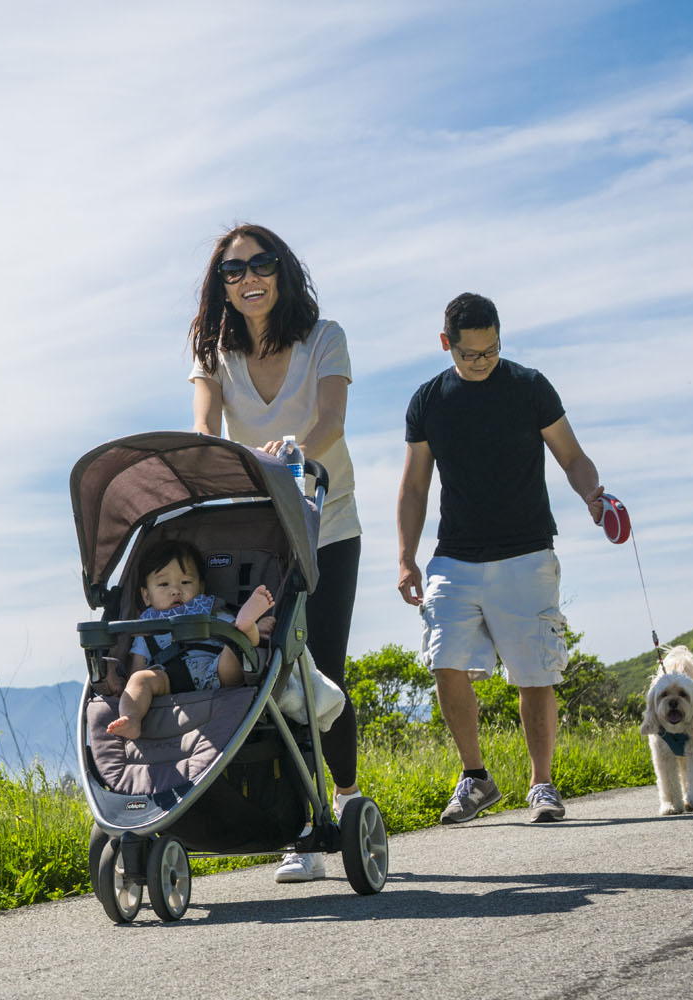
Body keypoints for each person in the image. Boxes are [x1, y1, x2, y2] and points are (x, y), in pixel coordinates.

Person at [188, 223, 361, 883]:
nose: (248, 278)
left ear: (282, 271)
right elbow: (204, 424)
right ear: (222, 287)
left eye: (261, 265)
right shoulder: (215, 354)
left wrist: (292, 458)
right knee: (275, 672)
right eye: (233, 271)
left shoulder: (325, 339)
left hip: (327, 522)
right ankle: (304, 830)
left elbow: (330, 420)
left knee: (324, 671)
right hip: (261, 534)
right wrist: (217, 457)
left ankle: (343, 801)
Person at [396, 292, 606, 825]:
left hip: (527, 552)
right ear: (447, 345)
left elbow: (572, 456)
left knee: (534, 674)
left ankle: (542, 784)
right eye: (470, 354)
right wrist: (406, 556)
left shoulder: (530, 387)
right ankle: (476, 778)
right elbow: (414, 487)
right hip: (455, 557)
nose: (482, 361)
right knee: (443, 660)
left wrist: (594, 496)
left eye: (491, 350)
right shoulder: (428, 401)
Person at [106, 540, 275, 741]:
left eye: (185, 582)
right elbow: (137, 667)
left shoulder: (210, 611)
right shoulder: (145, 628)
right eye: (163, 584)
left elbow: (237, 637)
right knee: (140, 679)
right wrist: (129, 683)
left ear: (201, 587)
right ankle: (131, 718)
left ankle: (248, 622)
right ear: (146, 595)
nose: (175, 590)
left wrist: (251, 630)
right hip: (168, 679)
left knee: (237, 644)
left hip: (215, 670)